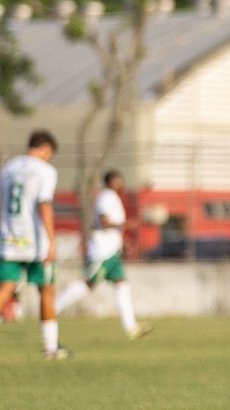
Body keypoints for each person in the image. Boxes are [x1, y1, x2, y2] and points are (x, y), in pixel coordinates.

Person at [53, 170, 153, 340]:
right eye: (118, 181)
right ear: (110, 182)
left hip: (112, 252)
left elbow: (111, 227)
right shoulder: (106, 196)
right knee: (88, 285)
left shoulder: (113, 197)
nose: (121, 184)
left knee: (122, 285)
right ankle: (52, 308)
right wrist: (126, 224)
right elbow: (103, 220)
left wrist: (122, 242)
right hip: (102, 252)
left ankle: (131, 328)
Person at [0, 130, 71, 359]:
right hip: (35, 241)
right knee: (46, 290)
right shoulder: (45, 170)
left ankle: (52, 347)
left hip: (9, 238)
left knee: (7, 287)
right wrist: (51, 240)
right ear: (46, 149)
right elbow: (44, 204)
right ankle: (51, 348)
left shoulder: (7, 169)